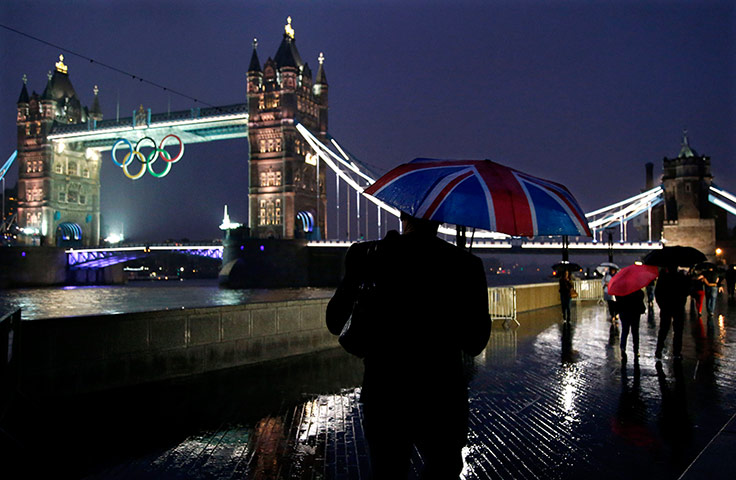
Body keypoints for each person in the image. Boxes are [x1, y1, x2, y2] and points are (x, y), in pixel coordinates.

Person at [326, 212, 491, 479]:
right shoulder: (466, 264)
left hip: (385, 394)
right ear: (442, 219)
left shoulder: (366, 254)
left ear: (402, 214)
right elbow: (475, 343)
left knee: (387, 472)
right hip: (443, 398)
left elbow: (335, 322)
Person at [654, 265, 691, 361]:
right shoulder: (681, 277)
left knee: (663, 330)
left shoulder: (663, 278)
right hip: (678, 307)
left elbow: (657, 293)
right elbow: (687, 291)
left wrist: (661, 305)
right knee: (678, 331)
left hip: (666, 307)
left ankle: (658, 351)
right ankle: (677, 352)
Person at [615, 288, 646, 361]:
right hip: (635, 312)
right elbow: (641, 297)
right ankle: (636, 350)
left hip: (624, 312)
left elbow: (617, 299)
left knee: (625, 331)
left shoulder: (621, 289)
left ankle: (623, 347)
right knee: (635, 332)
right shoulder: (637, 289)